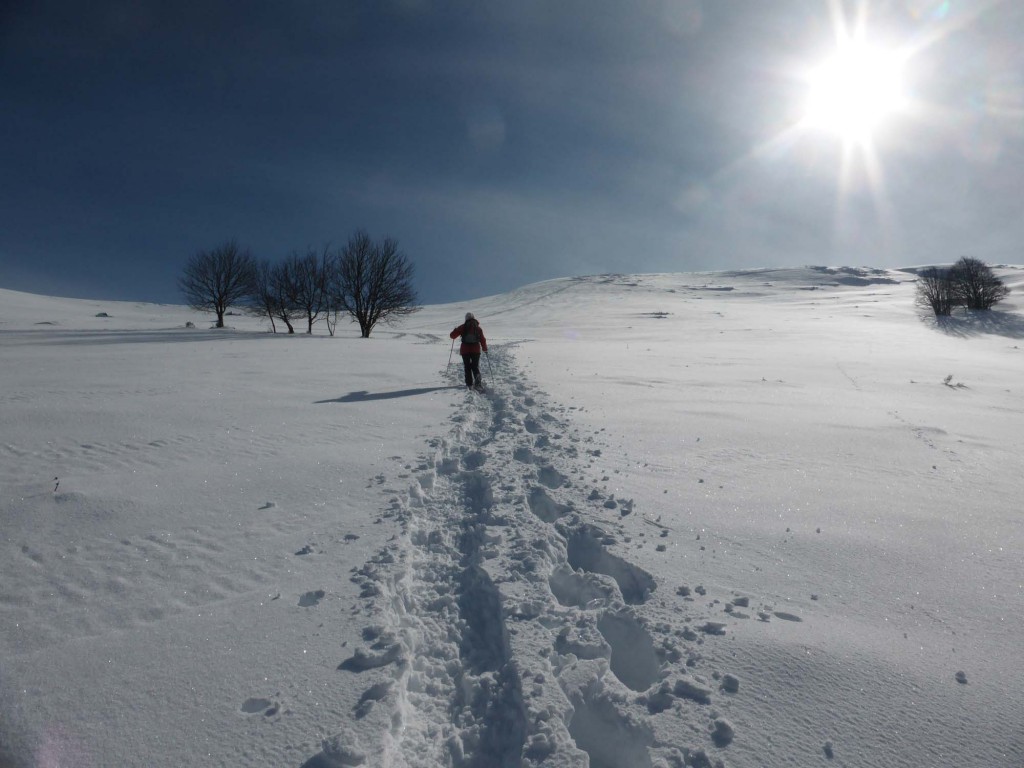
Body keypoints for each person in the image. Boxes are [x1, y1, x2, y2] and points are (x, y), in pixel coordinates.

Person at [450, 312, 487, 389]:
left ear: (466, 318)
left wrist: (455, 329)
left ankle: (469, 384)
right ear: (474, 318)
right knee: (475, 366)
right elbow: (482, 339)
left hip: (465, 350)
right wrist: (485, 349)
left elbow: (452, 336)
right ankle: (478, 383)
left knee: (467, 367)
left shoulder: (462, 327)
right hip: (476, 349)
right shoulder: (478, 328)